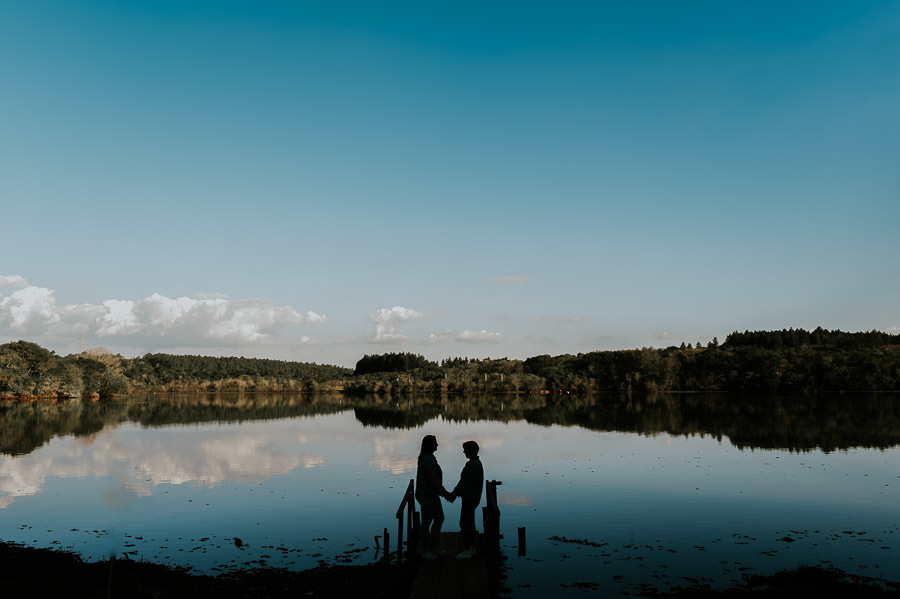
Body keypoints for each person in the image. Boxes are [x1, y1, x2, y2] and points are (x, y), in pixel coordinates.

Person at [415, 434, 454, 558]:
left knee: (439, 518)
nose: (437, 445)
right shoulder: (426, 459)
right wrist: (446, 494)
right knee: (426, 521)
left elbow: (434, 481)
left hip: (432, 494)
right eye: (435, 442)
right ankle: (427, 551)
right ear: (429, 445)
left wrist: (443, 493)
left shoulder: (429, 458)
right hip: (427, 495)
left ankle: (432, 547)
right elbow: (433, 480)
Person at [450, 440, 484, 559]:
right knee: (467, 521)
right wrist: (455, 491)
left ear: (471, 451)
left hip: (471, 497)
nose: (464, 452)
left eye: (465, 450)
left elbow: (467, 482)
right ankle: (469, 547)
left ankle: (470, 549)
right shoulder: (471, 463)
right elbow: (463, 481)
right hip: (468, 497)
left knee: (466, 522)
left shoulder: (475, 465)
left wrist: (455, 493)